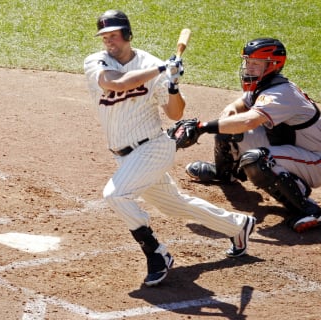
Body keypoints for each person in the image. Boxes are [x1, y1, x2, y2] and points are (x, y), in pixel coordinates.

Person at [83, 9, 256, 287]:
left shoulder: (151, 64)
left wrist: (173, 85)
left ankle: (156, 253)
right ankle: (238, 225)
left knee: (115, 195)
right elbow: (115, 83)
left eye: (114, 35)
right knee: (175, 205)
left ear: (127, 34)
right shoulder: (97, 61)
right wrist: (164, 69)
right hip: (125, 156)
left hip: (154, 148)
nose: (109, 41)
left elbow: (175, 114)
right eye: (104, 36)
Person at [184, 38, 321, 233]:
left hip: (315, 160)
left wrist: (202, 127)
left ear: (273, 65)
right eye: (247, 62)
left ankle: (308, 208)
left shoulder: (281, 93)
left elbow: (249, 121)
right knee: (229, 127)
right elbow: (241, 104)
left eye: (256, 63)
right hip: (293, 147)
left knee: (259, 160)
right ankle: (226, 174)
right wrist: (230, 110)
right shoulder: (263, 83)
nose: (249, 68)